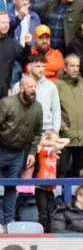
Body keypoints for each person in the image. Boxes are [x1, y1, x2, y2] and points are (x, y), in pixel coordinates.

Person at [0, 75, 42, 225]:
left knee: (11, 188)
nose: (34, 90)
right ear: (21, 88)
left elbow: (37, 134)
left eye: (35, 87)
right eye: (30, 87)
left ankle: (8, 222)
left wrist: (31, 152)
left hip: (18, 153)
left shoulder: (37, 107)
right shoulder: (6, 104)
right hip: (1, 150)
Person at [55, 55, 83, 178]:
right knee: (60, 172)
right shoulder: (57, 85)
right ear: (65, 67)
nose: (75, 69)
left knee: (82, 174)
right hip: (64, 139)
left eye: (77, 66)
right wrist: (63, 127)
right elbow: (52, 109)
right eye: (72, 66)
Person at [11, 54, 60, 133]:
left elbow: (56, 109)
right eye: (38, 66)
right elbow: (13, 110)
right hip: (24, 129)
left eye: (43, 66)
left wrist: (56, 130)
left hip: (47, 129)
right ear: (29, 67)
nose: (41, 69)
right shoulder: (18, 86)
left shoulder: (51, 86)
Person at [34, 130, 70, 232]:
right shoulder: (43, 150)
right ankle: (43, 233)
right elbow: (60, 146)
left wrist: (54, 140)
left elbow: (67, 140)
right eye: (55, 140)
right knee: (43, 214)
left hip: (50, 187)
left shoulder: (53, 151)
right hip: (41, 188)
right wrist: (52, 142)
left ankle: (51, 232)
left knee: (52, 212)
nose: (57, 142)